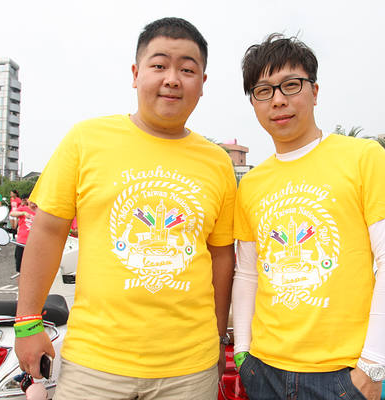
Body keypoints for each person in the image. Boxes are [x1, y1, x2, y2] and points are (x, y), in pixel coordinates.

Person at [14, 17, 236, 400]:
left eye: (187, 70)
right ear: (136, 74)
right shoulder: (86, 140)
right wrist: (27, 323)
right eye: (159, 65)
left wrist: (219, 338)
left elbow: (221, 255)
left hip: (189, 369)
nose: (172, 79)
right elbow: (48, 231)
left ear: (202, 83)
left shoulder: (217, 163)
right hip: (94, 366)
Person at [232, 34, 385, 400]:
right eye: (263, 91)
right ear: (253, 102)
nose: (278, 100)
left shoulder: (364, 158)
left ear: (314, 91)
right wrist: (242, 351)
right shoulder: (251, 183)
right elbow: (248, 272)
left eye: (291, 85)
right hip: (263, 369)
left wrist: (372, 366)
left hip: (342, 376)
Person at [9, 197, 37, 273]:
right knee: (19, 266)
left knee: (33, 266)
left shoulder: (40, 211)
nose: (33, 202)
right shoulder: (23, 209)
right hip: (22, 242)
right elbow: (12, 213)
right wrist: (23, 213)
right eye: (31, 200)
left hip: (35, 243)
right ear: (27, 200)